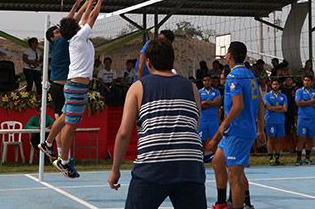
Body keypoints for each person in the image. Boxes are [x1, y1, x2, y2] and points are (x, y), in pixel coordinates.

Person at [108, 39, 206, 208]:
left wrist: (115, 169)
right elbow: (194, 126)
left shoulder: (138, 87)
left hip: (152, 167)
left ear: (148, 62)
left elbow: (124, 133)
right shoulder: (192, 87)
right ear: (172, 60)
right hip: (190, 167)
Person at [39, 0, 106, 178]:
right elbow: (91, 17)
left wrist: (89, 2)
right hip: (76, 86)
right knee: (71, 124)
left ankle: (48, 143)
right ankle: (64, 160)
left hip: (72, 85)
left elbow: (85, 17)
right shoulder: (79, 37)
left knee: (65, 115)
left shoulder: (76, 37)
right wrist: (98, 1)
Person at [209, 41, 264, 209]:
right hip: (237, 130)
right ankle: (221, 202)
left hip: (237, 131)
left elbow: (238, 105)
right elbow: (261, 103)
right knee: (217, 161)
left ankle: (241, 204)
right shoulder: (249, 74)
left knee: (235, 176)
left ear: (230, 56)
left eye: (226, 53)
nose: (225, 56)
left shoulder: (234, 76)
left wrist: (222, 126)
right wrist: (260, 129)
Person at [45, 1, 75, 160]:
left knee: (59, 123)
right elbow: (70, 22)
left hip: (57, 86)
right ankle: (65, 156)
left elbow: (68, 22)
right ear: (52, 36)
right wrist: (82, 7)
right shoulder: (60, 42)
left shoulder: (55, 45)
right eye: (57, 31)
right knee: (63, 123)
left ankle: (56, 151)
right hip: (61, 88)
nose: (59, 32)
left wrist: (76, 5)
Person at [295, 75, 315, 165]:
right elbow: (298, 103)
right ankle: (298, 158)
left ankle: (307, 158)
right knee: (301, 138)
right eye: (305, 80)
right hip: (302, 118)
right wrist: (310, 102)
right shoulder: (299, 91)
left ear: (312, 82)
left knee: (310, 139)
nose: (306, 82)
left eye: (308, 80)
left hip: (312, 118)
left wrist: (305, 102)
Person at [263, 77, 287, 166]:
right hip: (270, 120)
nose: (275, 86)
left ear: (279, 85)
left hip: (280, 121)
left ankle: (277, 158)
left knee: (278, 140)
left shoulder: (283, 96)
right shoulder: (267, 95)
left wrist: (274, 108)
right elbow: (268, 108)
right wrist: (279, 107)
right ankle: (270, 158)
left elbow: (285, 109)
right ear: (271, 85)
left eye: (276, 84)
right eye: (273, 84)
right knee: (270, 139)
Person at [199, 74, 221, 160]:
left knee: (215, 139)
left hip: (213, 120)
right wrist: (212, 103)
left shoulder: (216, 91)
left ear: (211, 81)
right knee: (202, 141)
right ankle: (201, 158)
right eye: (205, 80)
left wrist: (207, 102)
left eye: (208, 80)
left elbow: (218, 103)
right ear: (203, 82)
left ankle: (216, 158)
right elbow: (200, 105)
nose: (207, 82)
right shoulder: (199, 92)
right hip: (203, 120)